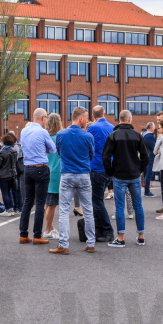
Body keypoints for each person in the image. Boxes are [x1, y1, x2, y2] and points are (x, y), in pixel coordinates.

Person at [50, 106, 96, 254]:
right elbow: (91, 155)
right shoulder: (88, 136)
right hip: (83, 174)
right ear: (81, 119)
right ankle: (90, 243)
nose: (88, 121)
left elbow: (59, 152)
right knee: (88, 210)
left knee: (63, 211)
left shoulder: (61, 134)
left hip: (67, 174)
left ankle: (63, 244)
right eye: (86, 118)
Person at [102, 109, 148, 247]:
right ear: (129, 119)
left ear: (119, 120)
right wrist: (140, 169)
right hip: (134, 174)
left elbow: (105, 156)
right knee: (138, 206)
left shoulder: (113, 136)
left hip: (119, 174)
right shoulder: (137, 135)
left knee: (119, 207)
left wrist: (110, 171)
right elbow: (146, 156)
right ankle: (141, 236)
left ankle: (120, 238)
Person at [19, 108, 56, 245]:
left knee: (28, 202)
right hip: (40, 168)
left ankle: (23, 234)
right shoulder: (43, 132)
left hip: (27, 168)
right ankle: (37, 235)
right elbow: (52, 149)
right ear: (43, 118)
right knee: (40, 203)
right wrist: (44, 148)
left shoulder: (24, 131)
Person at [87, 105, 115, 242]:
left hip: (97, 167)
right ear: (104, 114)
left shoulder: (92, 128)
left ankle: (108, 230)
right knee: (97, 200)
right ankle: (97, 228)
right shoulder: (112, 127)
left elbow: (88, 146)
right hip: (109, 168)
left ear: (93, 116)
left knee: (97, 201)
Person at [43, 112, 63, 239]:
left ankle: (49, 227)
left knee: (47, 203)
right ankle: (47, 230)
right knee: (52, 204)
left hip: (45, 171)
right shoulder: (60, 138)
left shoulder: (45, 138)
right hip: (56, 173)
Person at [0, 133, 19, 214]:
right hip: (12, 174)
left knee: (5, 192)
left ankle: (7, 209)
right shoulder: (14, 151)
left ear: (4, 142)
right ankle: (11, 209)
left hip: (4, 175)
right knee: (9, 192)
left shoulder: (2, 152)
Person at [142, 122, 157, 197]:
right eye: (154, 127)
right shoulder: (149, 136)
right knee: (149, 174)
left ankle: (147, 191)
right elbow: (154, 147)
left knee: (147, 174)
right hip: (150, 157)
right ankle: (147, 192)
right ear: (151, 127)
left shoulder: (144, 135)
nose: (155, 128)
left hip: (146, 157)